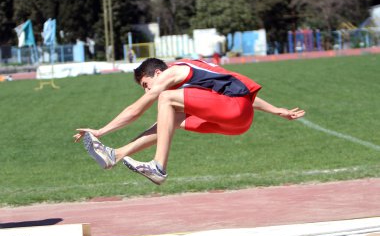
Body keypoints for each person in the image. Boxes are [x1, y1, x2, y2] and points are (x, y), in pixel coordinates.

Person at [74, 58, 305, 185]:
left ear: (157, 73)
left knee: (165, 99)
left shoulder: (173, 72)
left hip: (235, 110)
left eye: (146, 85)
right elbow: (238, 94)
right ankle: (116, 154)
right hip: (238, 119)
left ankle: (158, 167)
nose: (147, 90)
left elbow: (136, 111)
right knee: (172, 119)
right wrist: (277, 110)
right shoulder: (190, 80)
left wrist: (101, 131)